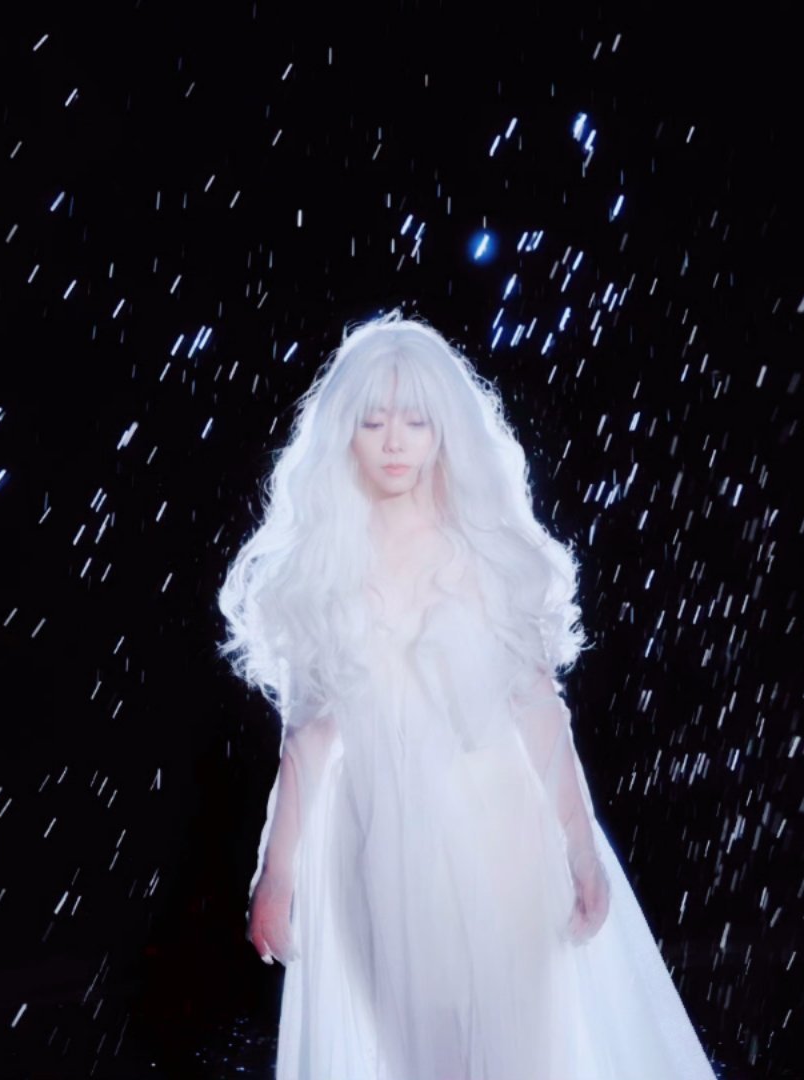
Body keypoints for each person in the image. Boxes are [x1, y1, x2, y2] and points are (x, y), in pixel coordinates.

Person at [217, 309, 717, 1078]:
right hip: (375, 844)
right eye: (374, 421)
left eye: (415, 421)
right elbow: (307, 741)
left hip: (499, 833)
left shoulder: (484, 553)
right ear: (344, 433)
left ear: (444, 431)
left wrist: (580, 848)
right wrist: (275, 875)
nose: (394, 441)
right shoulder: (323, 572)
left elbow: (540, 711)